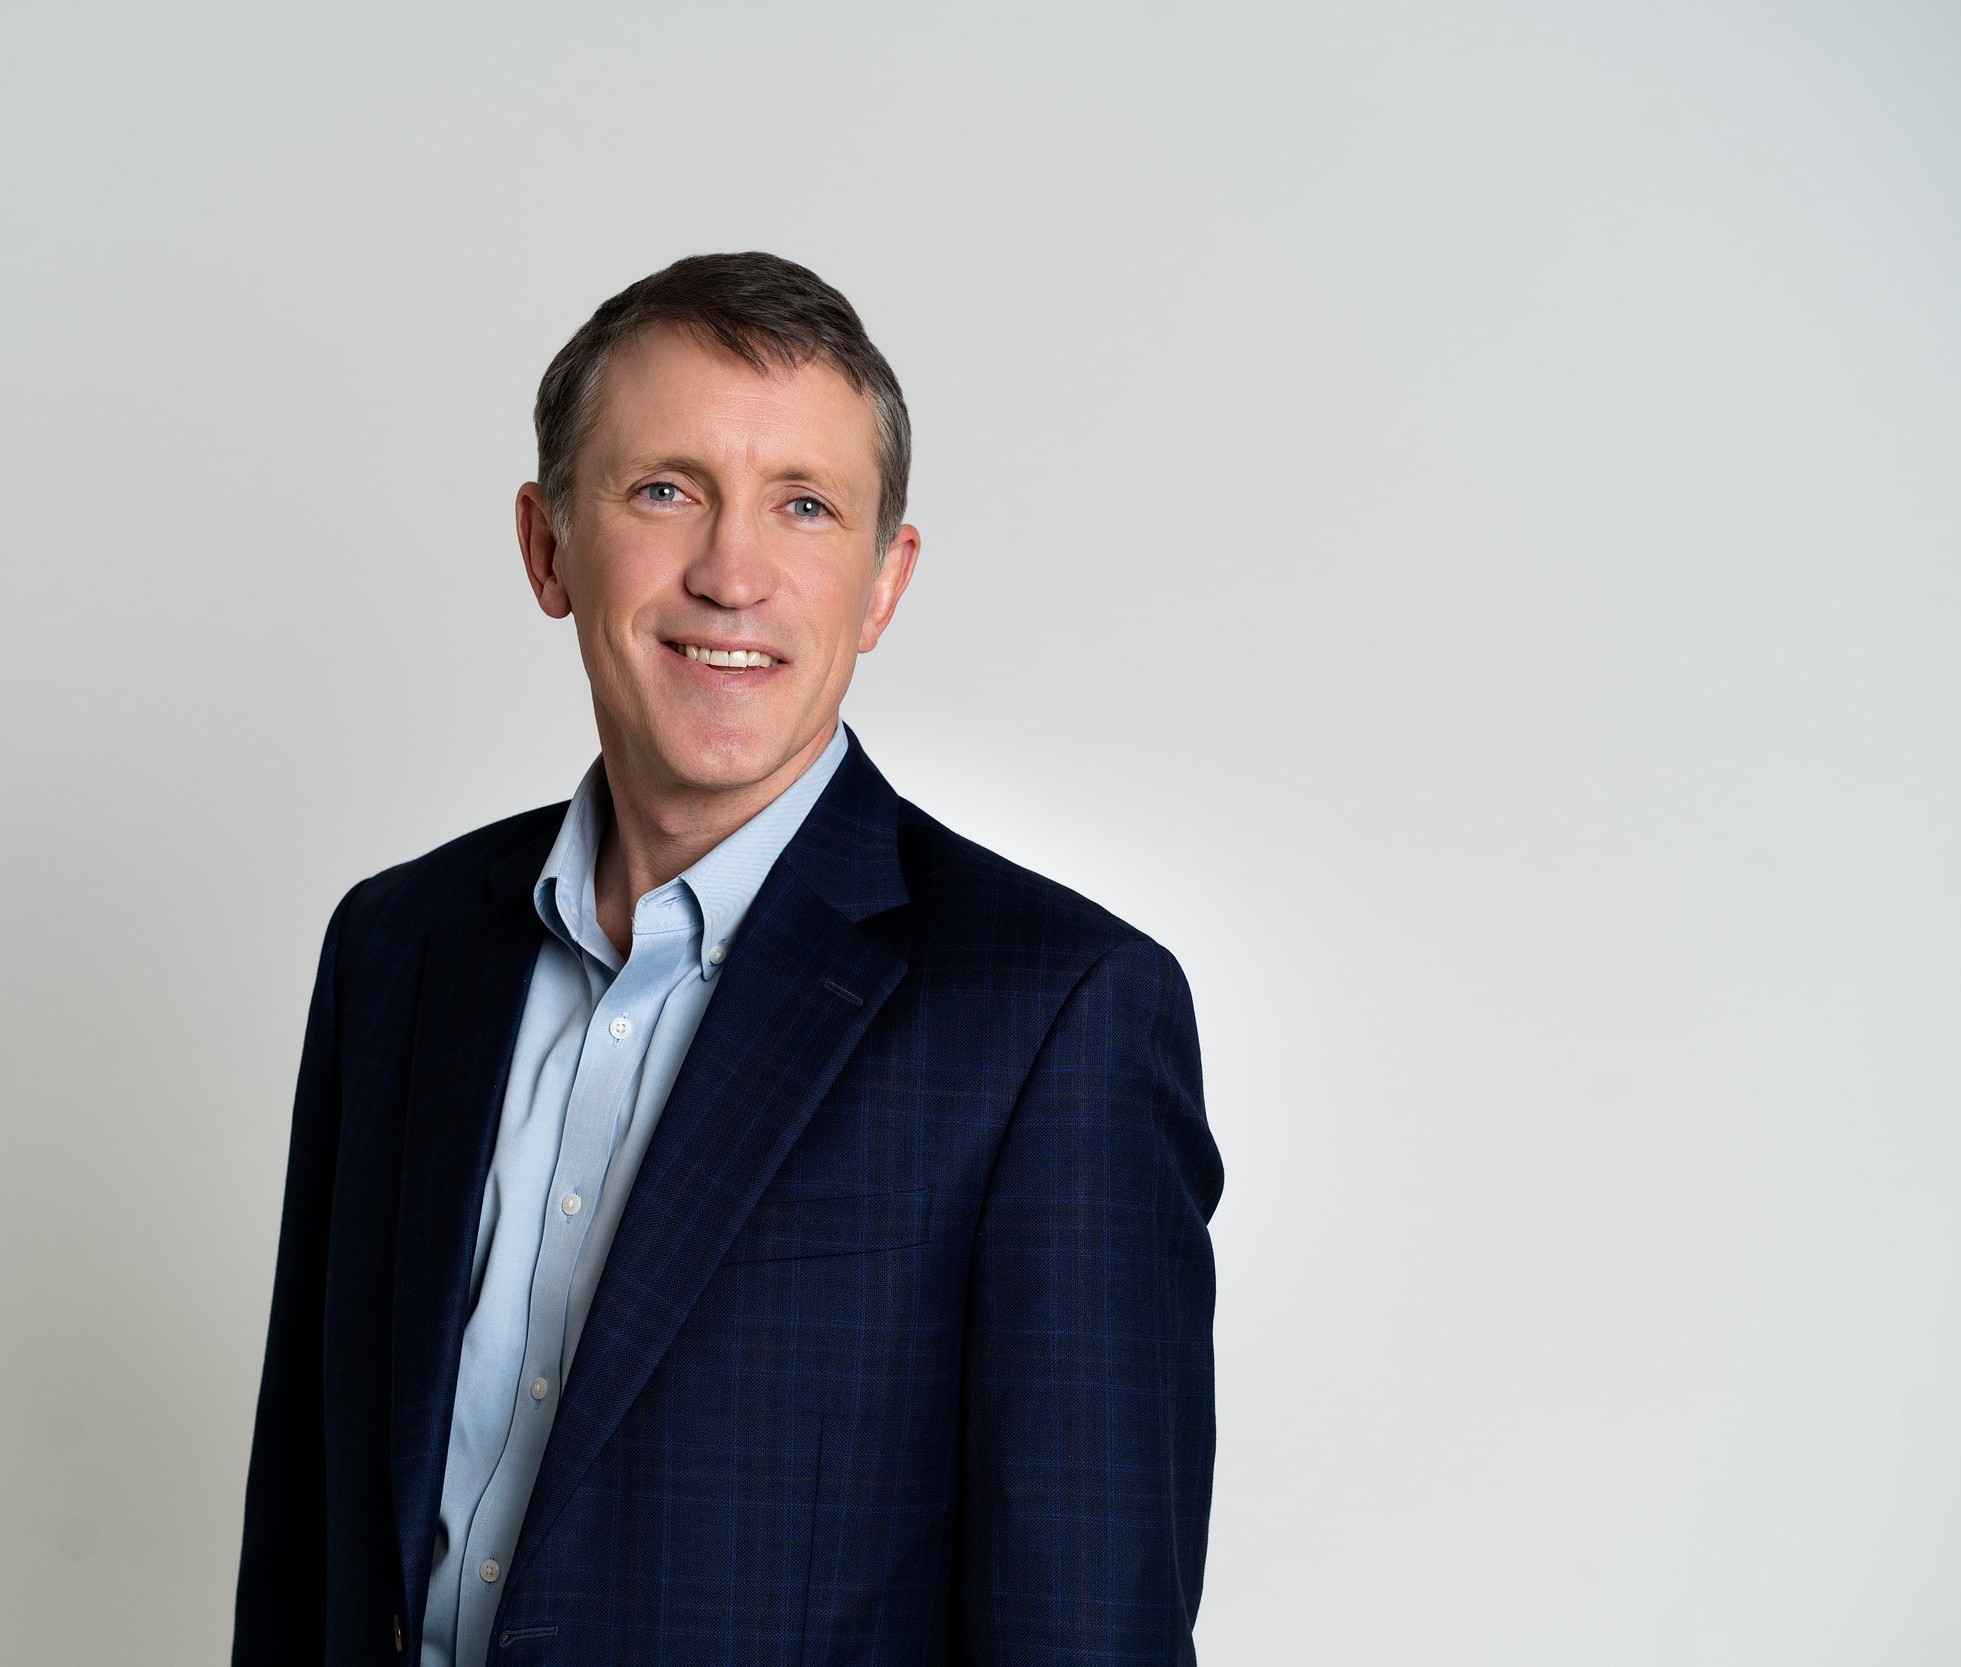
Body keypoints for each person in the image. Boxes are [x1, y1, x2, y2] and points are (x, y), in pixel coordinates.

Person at [231, 251, 1222, 1666]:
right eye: (663, 490)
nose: (731, 573)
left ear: (884, 583)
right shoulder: (398, 950)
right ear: (548, 544)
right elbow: (308, 1543)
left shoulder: (1055, 1015)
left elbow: (1085, 1633)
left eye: (804, 507)